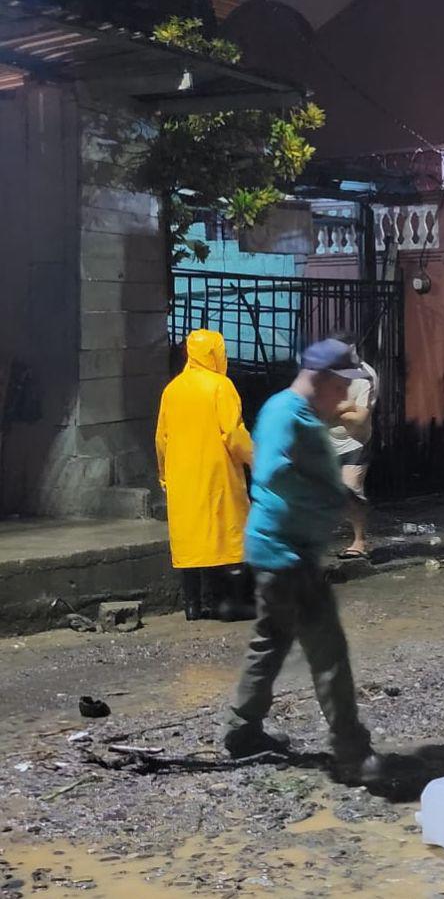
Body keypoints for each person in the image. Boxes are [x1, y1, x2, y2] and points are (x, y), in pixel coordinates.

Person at [224, 338, 383, 786]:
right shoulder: (284, 414)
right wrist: (324, 489)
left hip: (282, 551)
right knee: (328, 652)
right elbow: (270, 469)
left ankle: (242, 731)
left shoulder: (300, 414)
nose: (346, 398)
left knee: (270, 640)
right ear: (323, 379)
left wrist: (338, 491)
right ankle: (352, 752)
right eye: (342, 387)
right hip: (286, 552)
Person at [155, 329, 256, 622]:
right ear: (214, 354)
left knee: (190, 539)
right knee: (230, 535)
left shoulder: (172, 390)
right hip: (218, 474)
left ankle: (192, 606)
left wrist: (164, 475)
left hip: (182, 475)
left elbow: (162, 439)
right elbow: (234, 433)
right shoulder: (221, 386)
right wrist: (254, 460)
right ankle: (233, 603)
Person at [326, 332, 379, 559]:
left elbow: (360, 418)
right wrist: (346, 407)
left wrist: (331, 411)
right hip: (326, 440)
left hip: (355, 441)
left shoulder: (366, 376)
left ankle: (359, 540)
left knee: (351, 489)